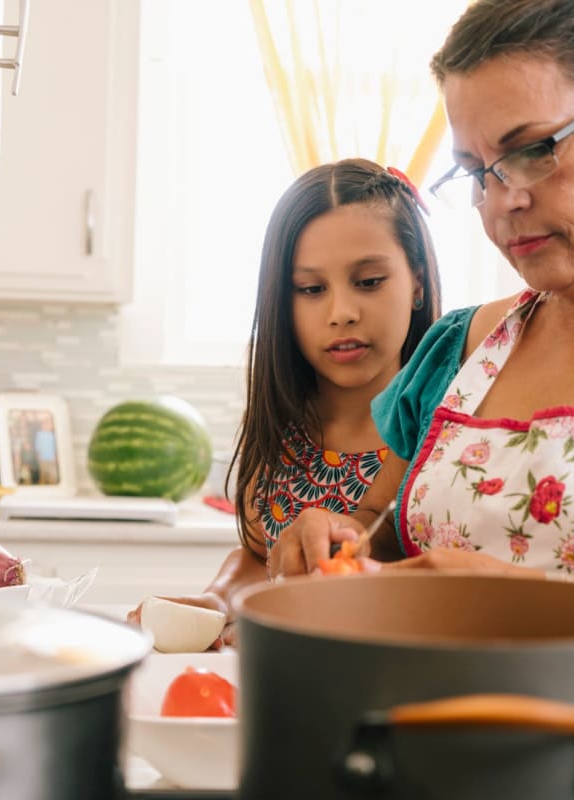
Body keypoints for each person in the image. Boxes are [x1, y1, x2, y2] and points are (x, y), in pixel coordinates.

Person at [268, 1, 574, 795]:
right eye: (476, 171)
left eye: (532, 151)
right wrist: (332, 541)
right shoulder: (463, 351)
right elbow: (381, 537)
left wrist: (530, 607)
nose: (502, 201)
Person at [127, 158, 442, 644]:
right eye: (311, 289)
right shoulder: (283, 424)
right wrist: (219, 599)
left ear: (417, 281)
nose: (342, 313)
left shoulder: (450, 430)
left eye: (369, 281)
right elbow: (258, 557)